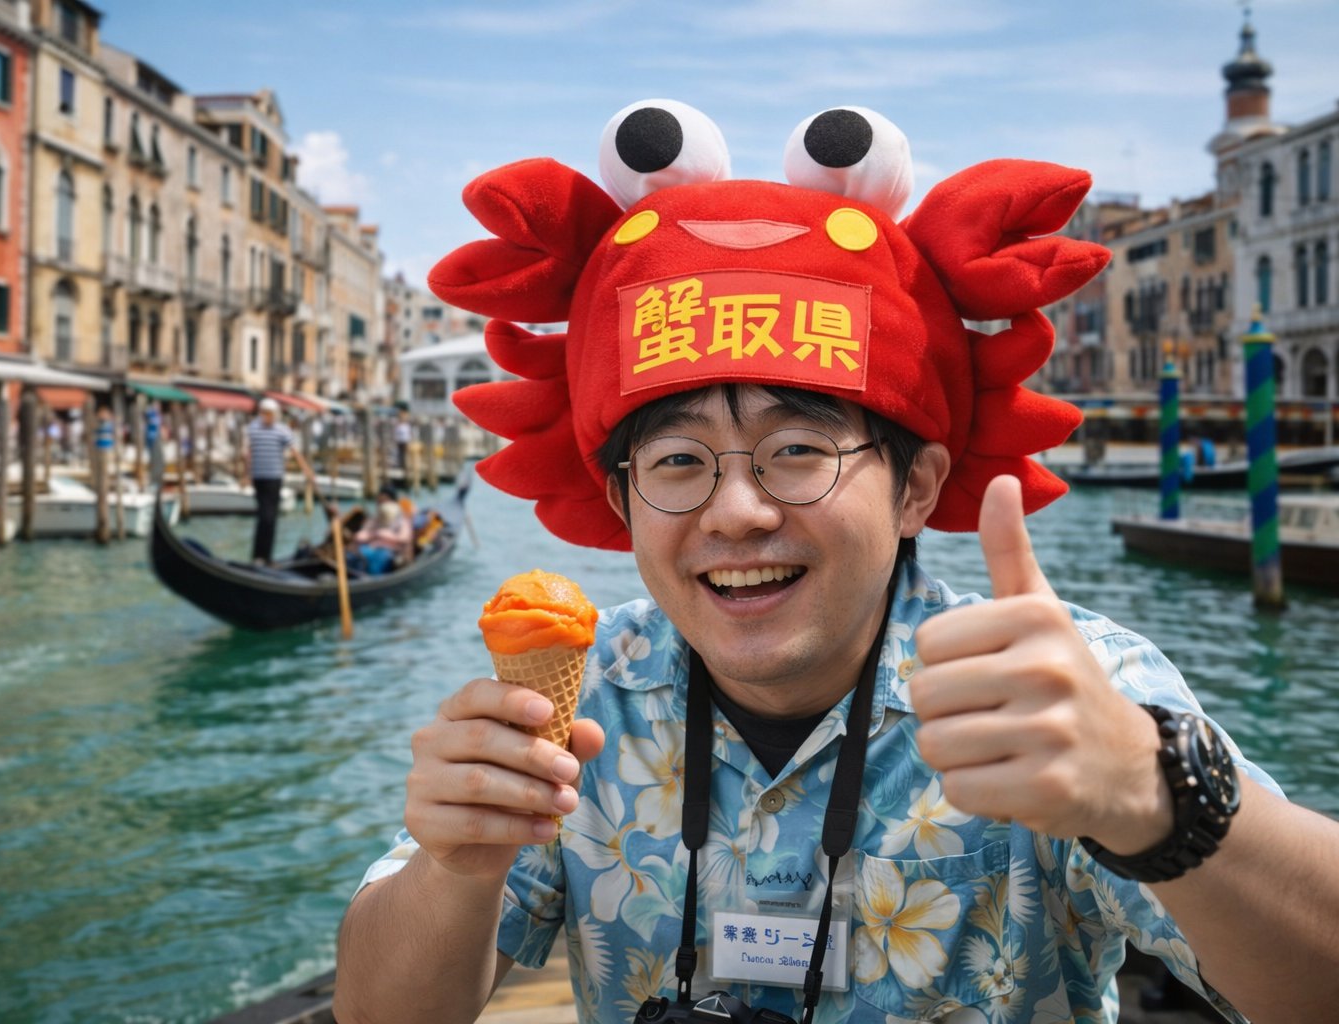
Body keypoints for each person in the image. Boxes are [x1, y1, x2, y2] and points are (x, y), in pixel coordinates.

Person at [333, 102, 1339, 1023]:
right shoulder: (579, 712)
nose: (736, 511)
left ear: (915, 488)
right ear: (619, 501)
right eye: (678, 462)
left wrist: (1159, 799)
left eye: (798, 451)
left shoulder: (1068, 689)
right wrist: (457, 868)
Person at [242, 397, 315, 565]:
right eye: (264, 413)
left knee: (270, 517)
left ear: (275, 414)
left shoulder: (282, 430)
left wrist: (307, 471)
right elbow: (249, 453)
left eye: (269, 413)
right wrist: (245, 475)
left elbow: (295, 452)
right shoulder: (253, 428)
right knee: (264, 516)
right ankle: (259, 556)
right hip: (258, 478)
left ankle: (265, 557)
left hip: (274, 478)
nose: (267, 416)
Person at [352, 487, 414, 574]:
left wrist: (384, 535)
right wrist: (374, 534)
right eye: (379, 501)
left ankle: (372, 576)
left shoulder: (401, 520)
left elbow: (404, 538)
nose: (381, 503)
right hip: (371, 550)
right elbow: (361, 535)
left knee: (381, 557)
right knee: (355, 554)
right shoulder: (374, 519)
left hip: (391, 553)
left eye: (384, 500)